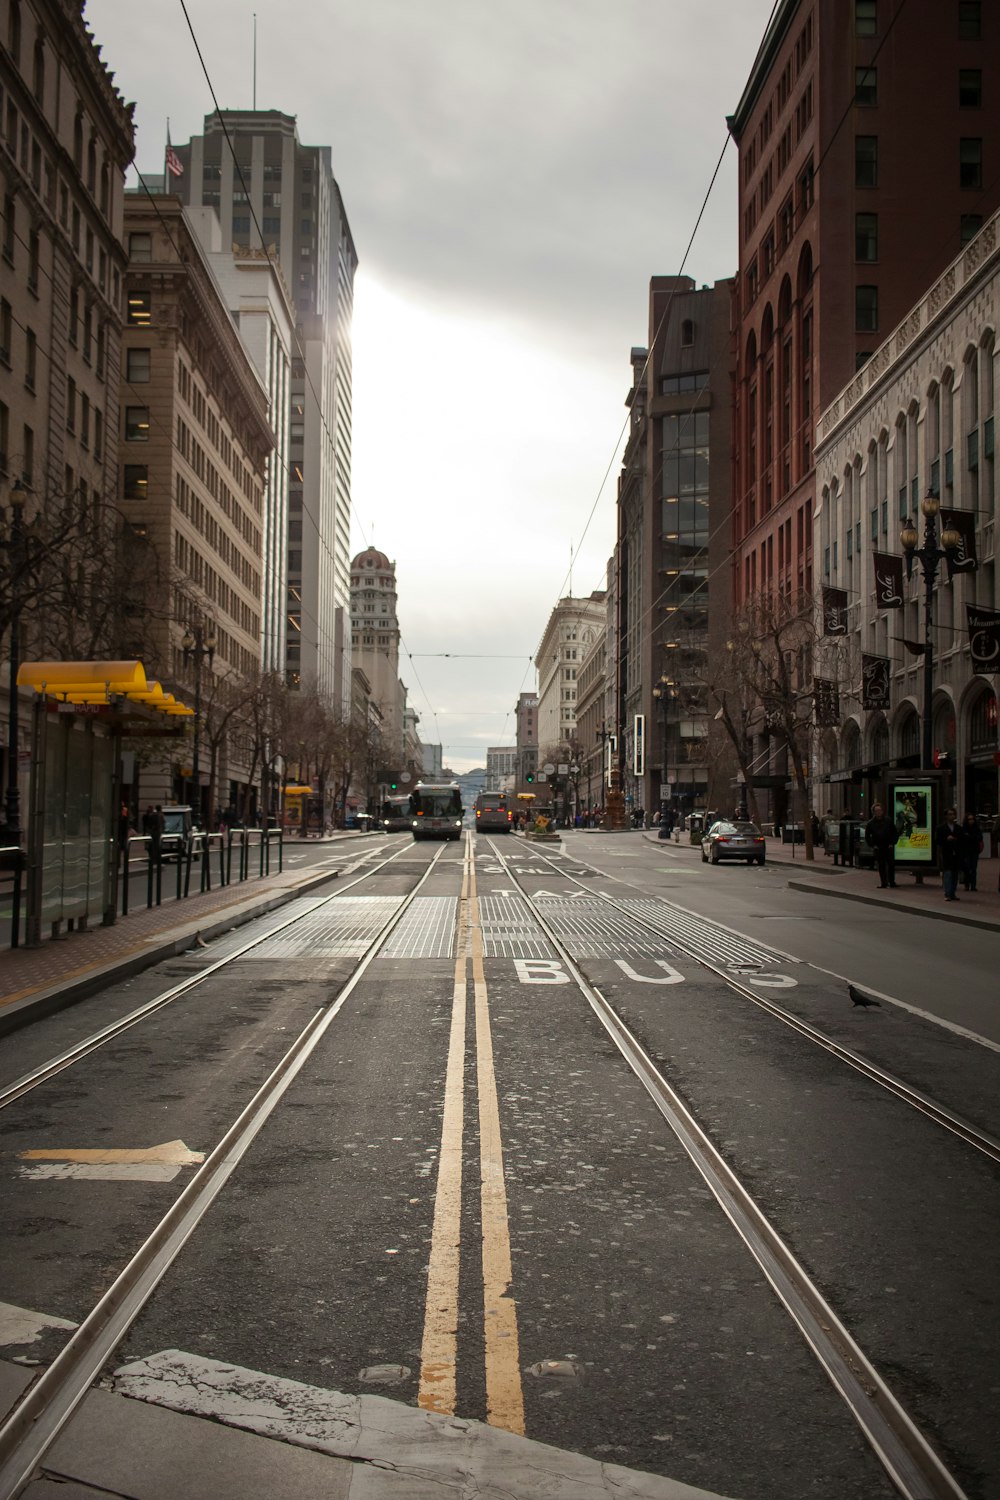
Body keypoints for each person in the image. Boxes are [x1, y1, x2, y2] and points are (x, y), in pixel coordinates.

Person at [934, 807, 966, 902]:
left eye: (953, 814)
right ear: (946, 816)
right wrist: (946, 839)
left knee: (955, 874)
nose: (952, 816)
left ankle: (952, 893)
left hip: (956, 854)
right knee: (948, 873)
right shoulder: (940, 828)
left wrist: (957, 841)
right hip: (946, 853)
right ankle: (947, 893)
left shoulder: (958, 828)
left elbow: (962, 840)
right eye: (950, 814)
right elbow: (937, 840)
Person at [864, 802, 898, 889]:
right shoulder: (870, 823)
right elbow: (867, 836)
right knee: (881, 865)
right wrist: (873, 845)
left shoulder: (888, 820)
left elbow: (894, 832)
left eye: (880, 810)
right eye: (877, 811)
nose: (879, 812)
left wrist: (892, 843)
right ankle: (884, 883)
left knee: (891, 864)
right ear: (874, 812)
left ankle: (892, 882)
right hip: (878, 847)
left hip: (888, 846)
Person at [961, 812, 984, 892]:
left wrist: (970, 837)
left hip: (974, 851)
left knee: (973, 868)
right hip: (966, 851)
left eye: (972, 819)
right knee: (967, 868)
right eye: (969, 819)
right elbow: (963, 838)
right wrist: (972, 838)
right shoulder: (964, 828)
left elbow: (980, 838)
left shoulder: (977, 829)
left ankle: (973, 885)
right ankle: (967, 885)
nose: (971, 821)